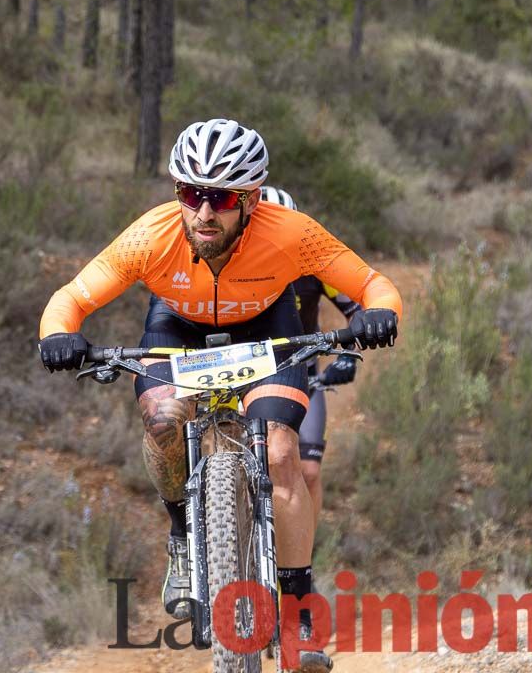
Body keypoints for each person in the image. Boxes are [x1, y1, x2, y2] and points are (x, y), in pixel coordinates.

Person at [39, 119, 403, 671]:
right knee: (163, 422)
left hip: (268, 329)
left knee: (282, 452)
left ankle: (298, 607)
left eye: (221, 198)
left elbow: (372, 284)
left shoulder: (292, 233)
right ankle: (183, 534)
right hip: (176, 325)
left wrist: (380, 314)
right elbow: (72, 297)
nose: (204, 212)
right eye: (191, 194)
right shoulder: (150, 236)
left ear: (251, 200)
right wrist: (58, 336)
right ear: (176, 193)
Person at [258, 186, 360, 525]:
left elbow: (356, 307)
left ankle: (304, 560)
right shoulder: (232, 270)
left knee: (310, 471)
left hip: (302, 372)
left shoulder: (314, 266)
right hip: (244, 375)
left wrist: (348, 353)